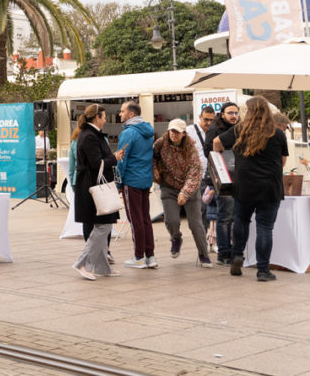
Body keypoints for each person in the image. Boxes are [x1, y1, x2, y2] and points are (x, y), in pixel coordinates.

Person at [214, 96, 287, 281]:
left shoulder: (240, 130)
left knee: (241, 220)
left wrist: (224, 160)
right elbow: (283, 161)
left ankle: (237, 256)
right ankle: (263, 270)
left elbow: (216, 143)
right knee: (265, 228)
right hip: (269, 187)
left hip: (244, 185)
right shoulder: (277, 133)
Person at [72, 103, 125, 280]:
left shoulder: (91, 134)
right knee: (103, 226)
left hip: (93, 187)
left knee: (103, 225)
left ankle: (102, 267)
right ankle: (81, 263)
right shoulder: (89, 136)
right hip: (92, 188)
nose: (105, 120)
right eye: (103, 117)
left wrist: (112, 158)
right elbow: (97, 163)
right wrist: (114, 158)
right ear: (97, 118)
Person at [154, 119, 212, 267]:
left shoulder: (190, 147)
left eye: (178, 132)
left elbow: (195, 171)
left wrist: (185, 193)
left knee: (195, 224)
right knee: (171, 220)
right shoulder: (161, 143)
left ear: (184, 134)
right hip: (169, 187)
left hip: (190, 189)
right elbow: (151, 157)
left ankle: (203, 254)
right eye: (172, 131)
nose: (174, 135)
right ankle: (176, 239)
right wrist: (155, 173)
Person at [116, 101, 156, 269]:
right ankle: (150, 256)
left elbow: (121, 159)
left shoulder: (129, 133)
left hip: (131, 180)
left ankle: (138, 256)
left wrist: (118, 182)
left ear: (131, 114)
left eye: (122, 111)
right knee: (145, 218)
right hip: (145, 180)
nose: (120, 114)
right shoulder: (148, 131)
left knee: (135, 219)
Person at [206, 101, 240, 265]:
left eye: (236, 113)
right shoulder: (215, 129)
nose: (234, 116)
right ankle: (223, 252)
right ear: (223, 114)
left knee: (234, 216)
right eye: (230, 113)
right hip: (222, 176)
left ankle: (233, 250)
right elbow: (209, 152)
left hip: (237, 177)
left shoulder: (240, 128)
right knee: (225, 215)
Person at [187, 105, 216, 233]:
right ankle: (203, 235)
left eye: (211, 120)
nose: (209, 123)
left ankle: (210, 235)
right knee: (201, 208)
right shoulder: (189, 131)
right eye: (206, 120)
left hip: (211, 175)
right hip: (196, 176)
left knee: (211, 208)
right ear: (199, 117)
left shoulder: (214, 131)